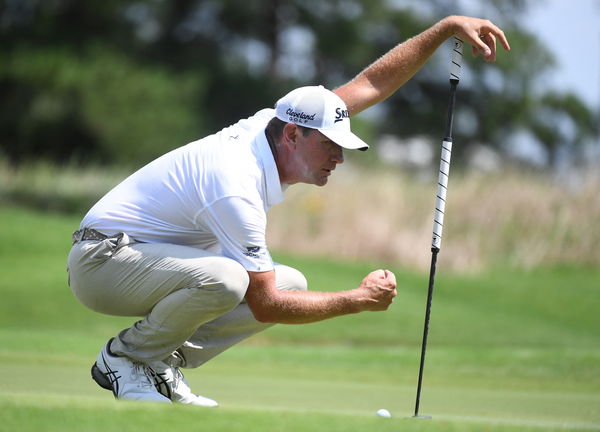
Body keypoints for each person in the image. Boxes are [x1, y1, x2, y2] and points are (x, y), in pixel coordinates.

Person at [67, 15, 510, 406]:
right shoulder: (235, 183)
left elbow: (372, 84)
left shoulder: (278, 122)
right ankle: (125, 358)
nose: (338, 157)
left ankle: (160, 361)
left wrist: (444, 29)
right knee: (231, 280)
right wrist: (356, 301)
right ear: (294, 136)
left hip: (146, 258)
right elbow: (267, 306)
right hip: (103, 262)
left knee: (291, 279)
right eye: (330, 146)